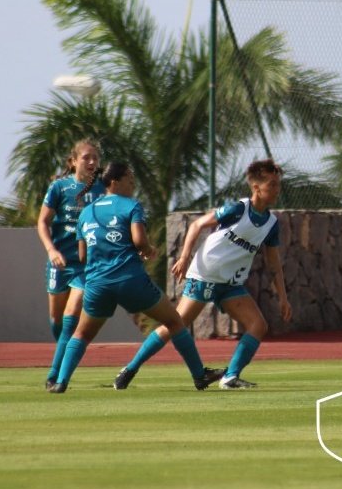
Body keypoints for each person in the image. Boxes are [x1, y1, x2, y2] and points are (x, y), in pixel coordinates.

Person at [114, 158, 291, 391]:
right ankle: (129, 370)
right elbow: (197, 226)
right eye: (272, 185)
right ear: (256, 187)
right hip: (206, 274)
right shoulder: (237, 209)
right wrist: (185, 258)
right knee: (175, 323)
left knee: (258, 325)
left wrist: (283, 297)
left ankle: (230, 377)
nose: (277, 190)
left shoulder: (271, 224)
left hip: (230, 283)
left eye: (278, 185)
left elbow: (273, 263)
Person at [48, 162, 224, 393]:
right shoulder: (131, 206)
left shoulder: (86, 212)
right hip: (130, 280)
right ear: (114, 182)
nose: (133, 182)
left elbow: (82, 256)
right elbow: (139, 241)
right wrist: (148, 249)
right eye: (129, 177)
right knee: (173, 321)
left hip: (97, 284)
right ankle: (199, 375)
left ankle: (60, 382)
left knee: (81, 334)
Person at [38, 139, 106, 389]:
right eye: (86, 157)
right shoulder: (59, 188)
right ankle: (65, 358)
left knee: (70, 315)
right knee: (56, 320)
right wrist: (51, 249)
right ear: (73, 161)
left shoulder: (102, 190)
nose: (91, 162)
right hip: (59, 262)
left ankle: (54, 375)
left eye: (95, 158)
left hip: (86, 265)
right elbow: (43, 222)